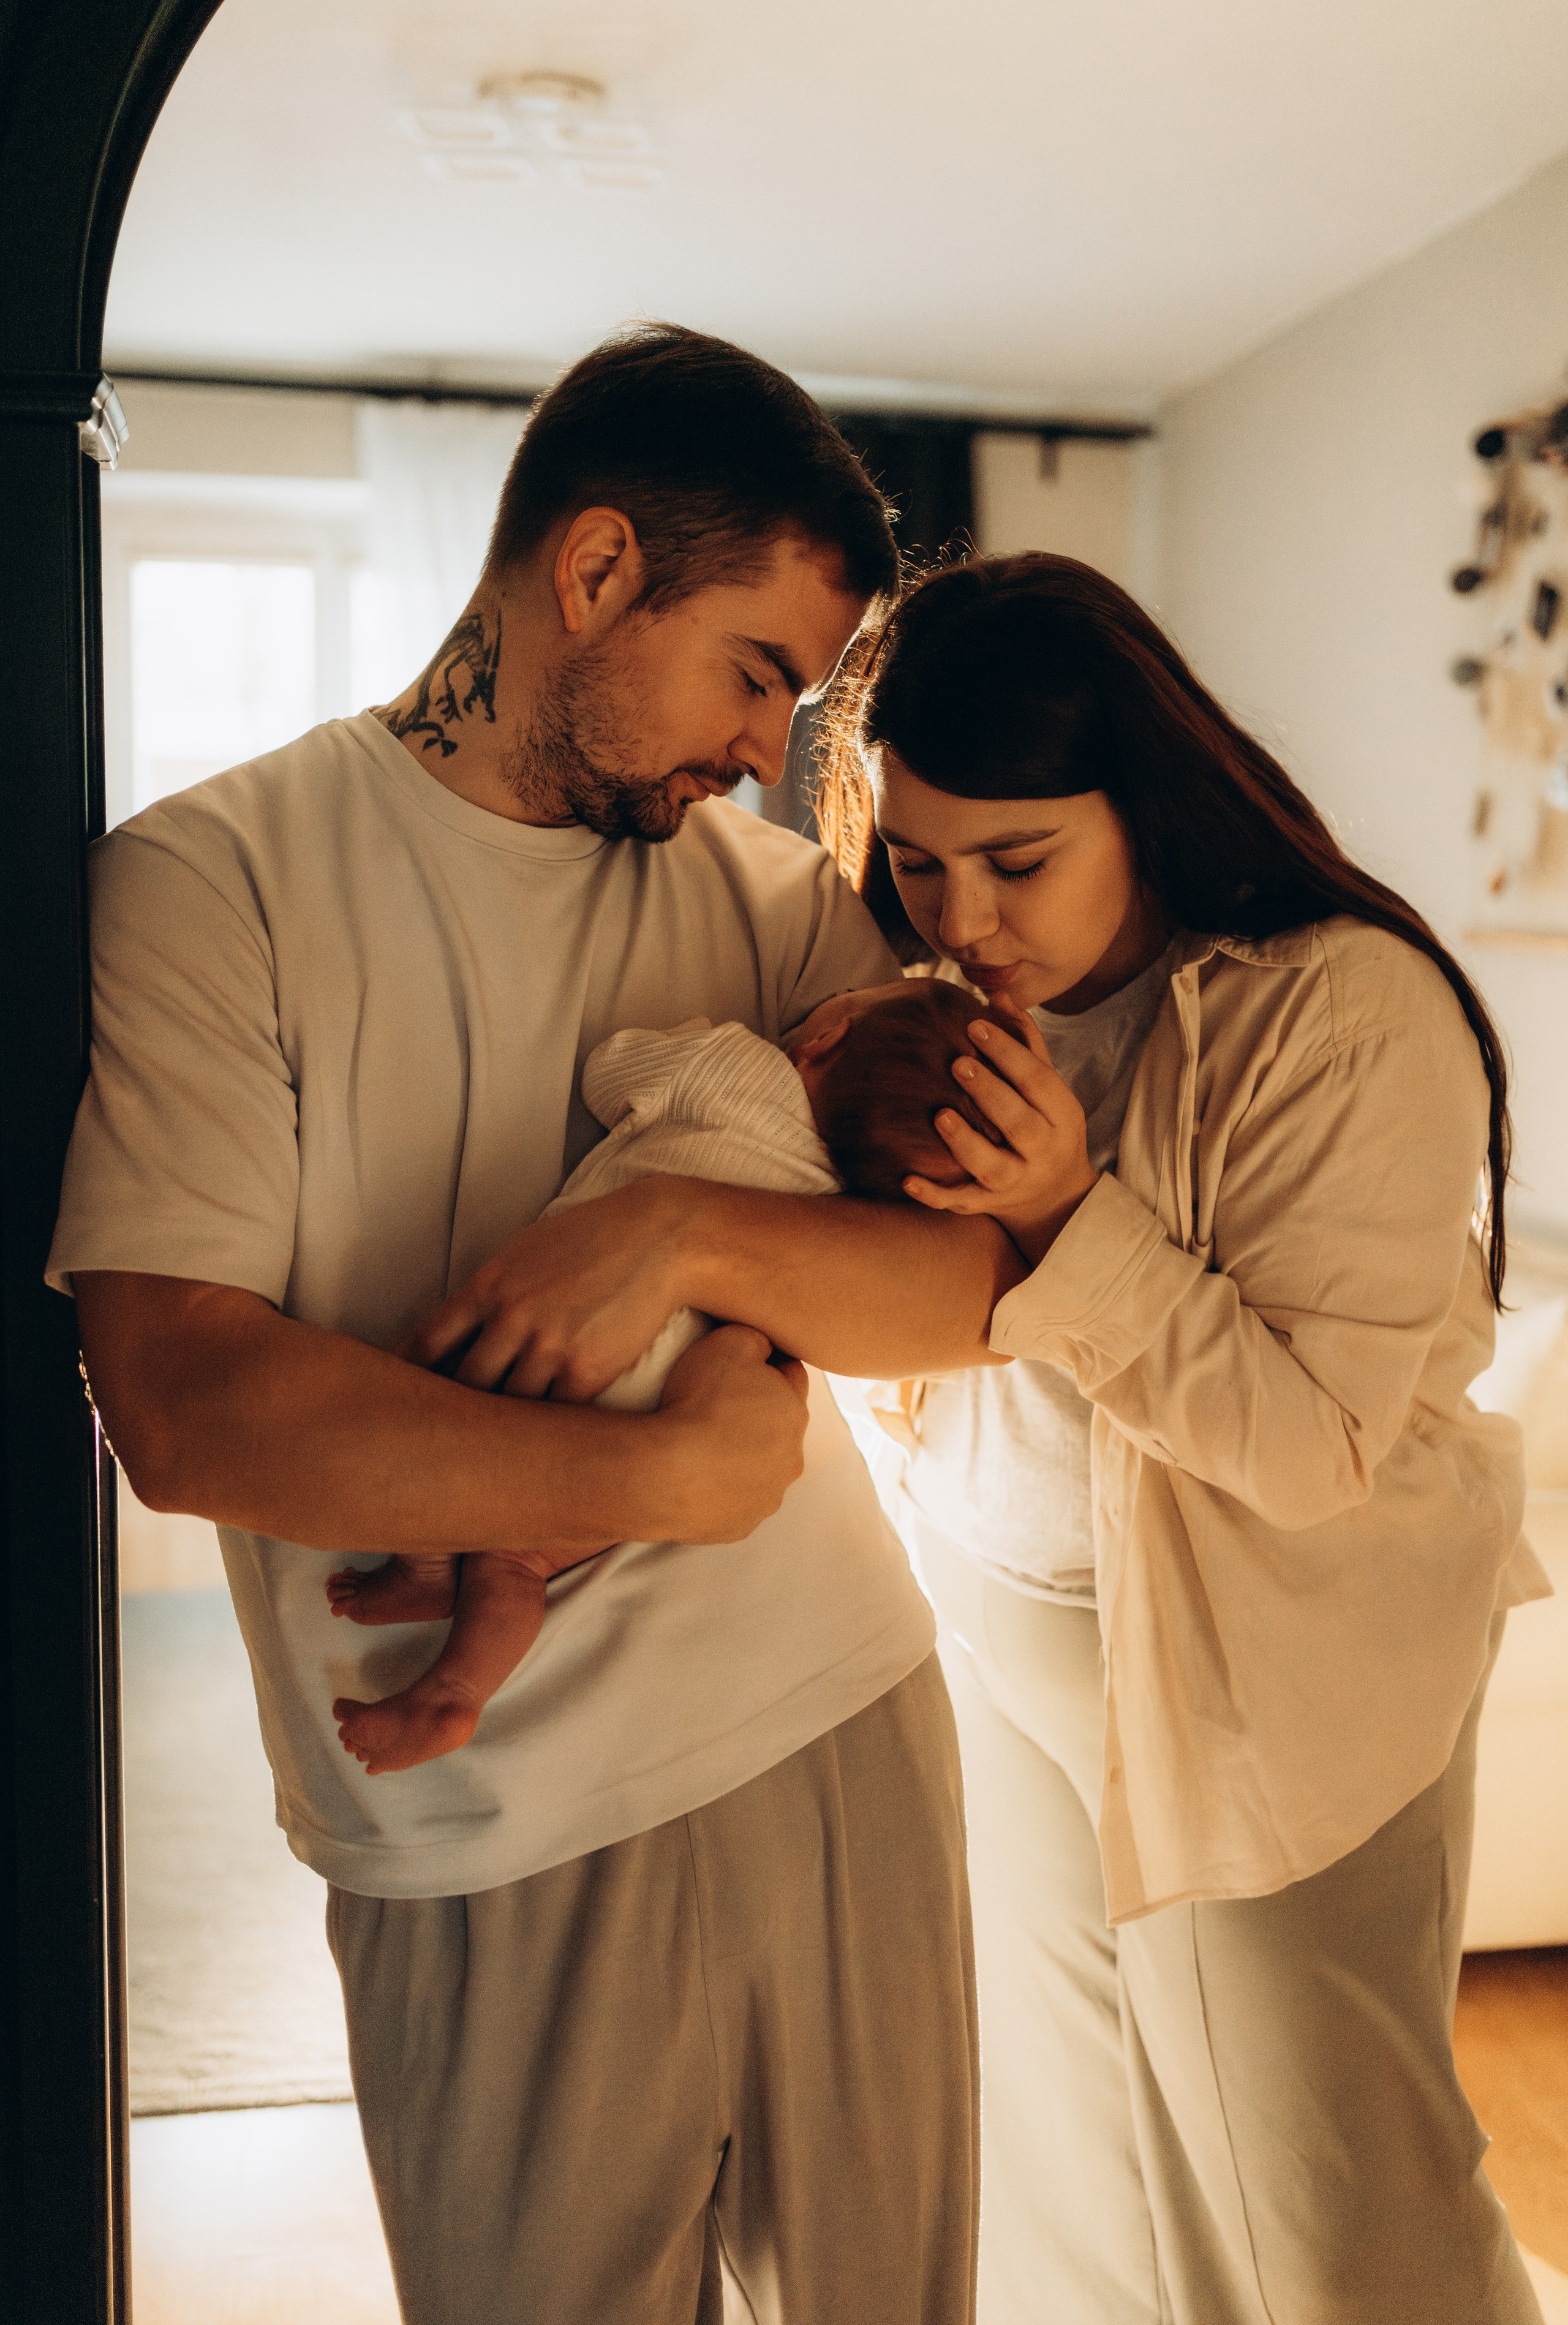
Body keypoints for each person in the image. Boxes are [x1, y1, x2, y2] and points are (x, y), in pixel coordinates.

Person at [50, 328, 1025, 2325]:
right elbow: (183, 1396)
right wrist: (657, 1471)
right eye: (758, 670)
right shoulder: (207, 880)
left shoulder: (760, 899)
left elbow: (973, 1278)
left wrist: (671, 1232)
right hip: (475, 1810)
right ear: (593, 575)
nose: (771, 751)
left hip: (833, 1708)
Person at [812, 553, 1550, 2325]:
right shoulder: (934, 1004)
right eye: (917, 859)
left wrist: (1075, 1216)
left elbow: (1311, 1449)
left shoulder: (1344, 1008)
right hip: (1002, 1628)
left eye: (1017, 861)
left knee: (1330, 2196)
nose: (963, 915)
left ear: (1139, 800)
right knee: (1073, 2183)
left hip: (1260, 1671)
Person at [330, 978, 997, 1777]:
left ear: (823, 1039)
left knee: (431, 1392)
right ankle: (455, 1689)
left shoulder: (733, 1064)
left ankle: (422, 1566)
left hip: (551, 1329)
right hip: (663, 1393)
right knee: (517, 1562)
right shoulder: (843, 1203)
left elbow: (611, 1073)